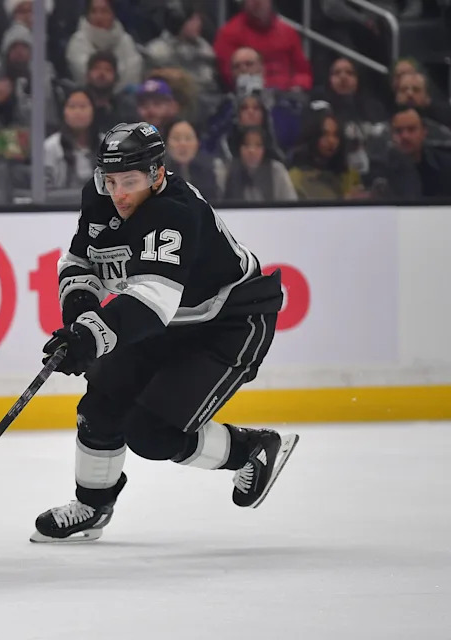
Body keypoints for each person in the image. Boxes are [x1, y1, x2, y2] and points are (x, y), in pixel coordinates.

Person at [30, 121, 299, 543]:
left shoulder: (175, 211)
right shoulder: (100, 195)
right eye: (110, 179)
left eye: (130, 181)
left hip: (229, 322)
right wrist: (80, 315)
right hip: (171, 320)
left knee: (152, 434)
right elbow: (79, 264)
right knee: (100, 406)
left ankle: (253, 449)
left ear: (157, 174)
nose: (117, 193)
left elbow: (151, 302)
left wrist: (89, 336)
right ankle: (92, 507)